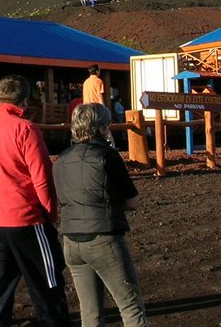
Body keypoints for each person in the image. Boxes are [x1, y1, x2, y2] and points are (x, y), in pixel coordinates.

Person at [0, 74, 70, 326]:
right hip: (23, 217)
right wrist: (50, 213)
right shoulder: (24, 128)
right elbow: (42, 177)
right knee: (47, 283)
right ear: (24, 101)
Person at [53, 103, 150, 327]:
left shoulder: (61, 159)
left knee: (90, 312)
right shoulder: (107, 156)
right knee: (131, 307)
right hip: (104, 238)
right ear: (103, 127)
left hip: (71, 240)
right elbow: (132, 201)